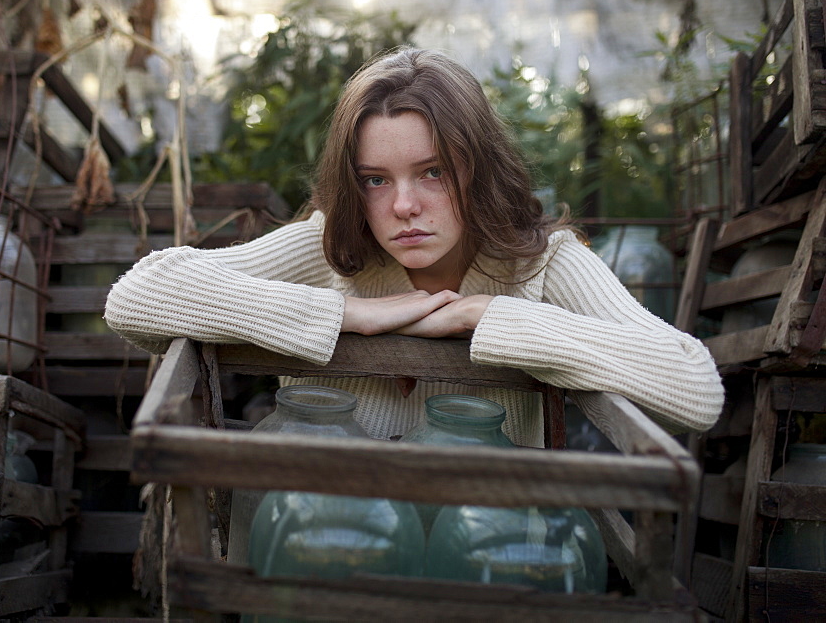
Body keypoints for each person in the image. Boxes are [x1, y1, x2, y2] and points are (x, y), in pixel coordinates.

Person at [104, 47, 724, 447]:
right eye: (376, 180)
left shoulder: (541, 265)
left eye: (433, 173)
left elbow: (696, 385)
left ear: (477, 168)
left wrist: (495, 317)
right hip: (326, 551)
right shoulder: (332, 249)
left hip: (474, 562)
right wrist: (348, 315)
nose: (403, 205)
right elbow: (136, 296)